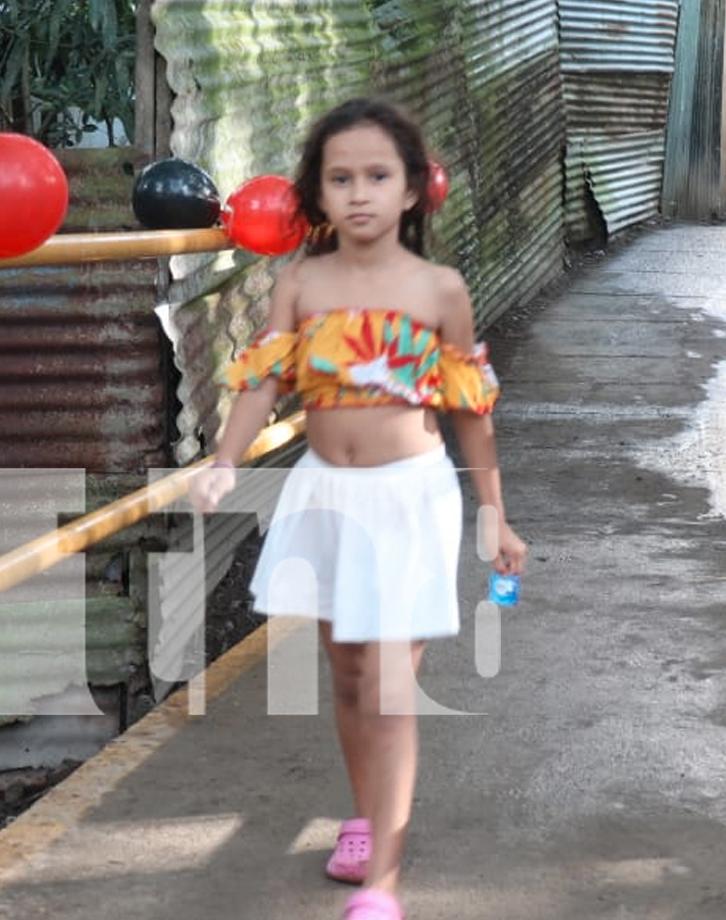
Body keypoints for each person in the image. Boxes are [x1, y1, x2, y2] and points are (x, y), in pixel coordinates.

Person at [190, 97, 527, 920]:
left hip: (407, 501)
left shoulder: (439, 290)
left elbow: (467, 409)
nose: (360, 193)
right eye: (340, 178)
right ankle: (368, 815)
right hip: (326, 498)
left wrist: (495, 512)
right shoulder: (301, 281)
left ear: (413, 189)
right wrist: (225, 458)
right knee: (348, 677)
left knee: (385, 688)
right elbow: (265, 378)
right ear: (319, 194)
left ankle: (383, 880)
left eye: (378, 175)